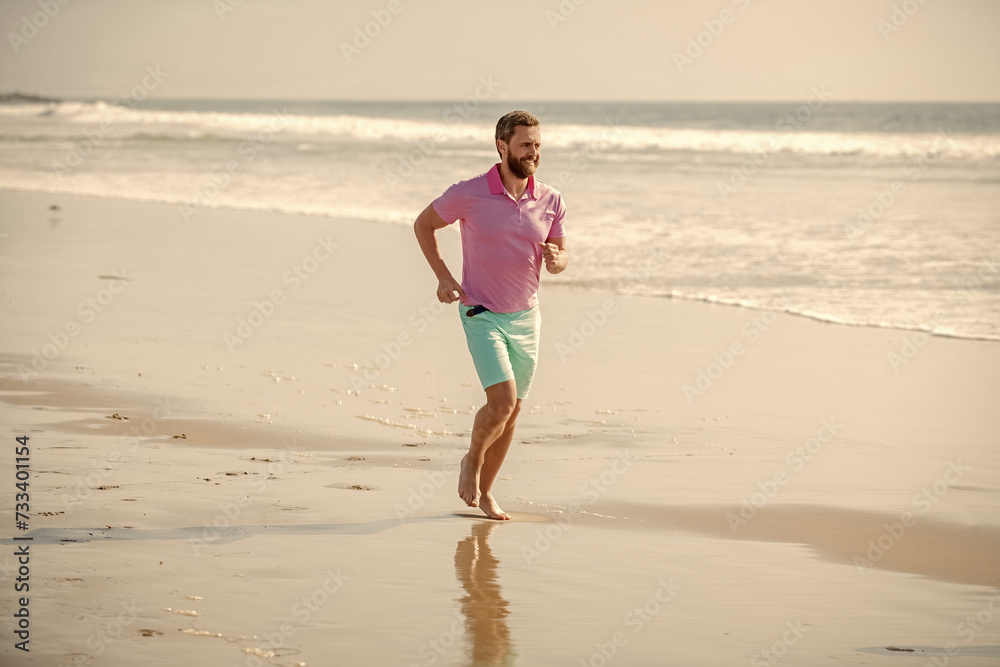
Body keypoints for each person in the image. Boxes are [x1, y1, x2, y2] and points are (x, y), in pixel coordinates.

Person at [413, 110, 568, 520]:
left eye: (537, 144)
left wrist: (558, 259)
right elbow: (423, 224)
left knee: (512, 411)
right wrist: (444, 277)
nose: (534, 152)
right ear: (502, 147)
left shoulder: (551, 199)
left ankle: (485, 494)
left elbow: (561, 254)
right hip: (481, 310)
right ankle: (472, 461)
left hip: (527, 316)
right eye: (525, 145)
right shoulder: (469, 193)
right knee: (500, 403)